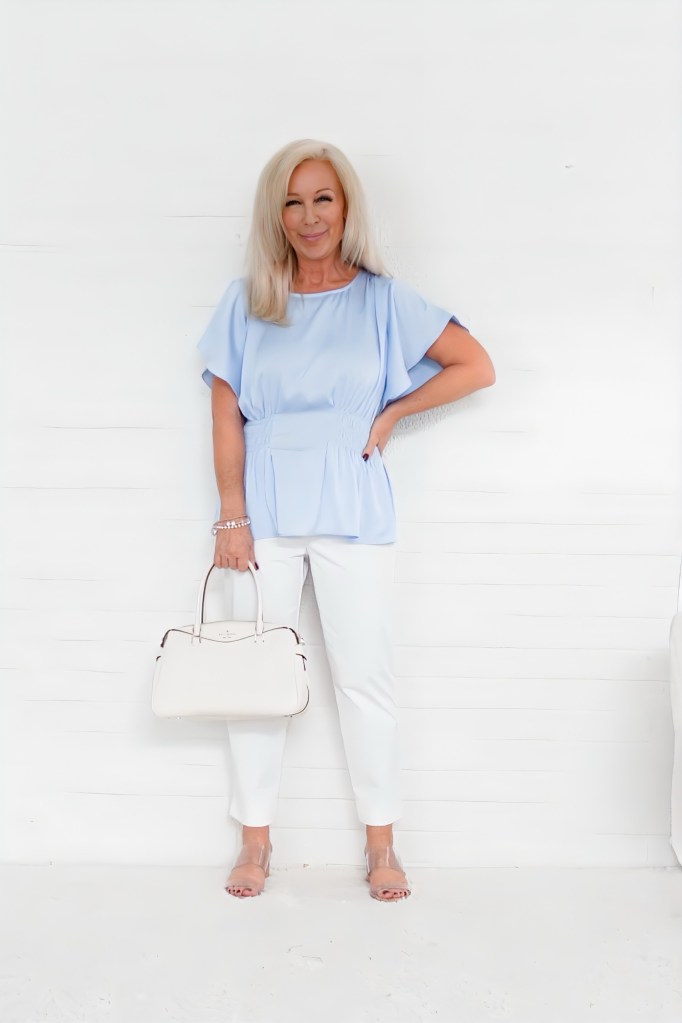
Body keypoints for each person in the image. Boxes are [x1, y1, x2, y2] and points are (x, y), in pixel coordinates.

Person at [196, 138, 495, 901]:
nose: (308, 216)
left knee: (366, 680)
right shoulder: (248, 301)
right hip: (262, 515)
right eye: (292, 202)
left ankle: (382, 841)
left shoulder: (384, 301)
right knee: (253, 681)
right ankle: (255, 841)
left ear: (346, 206)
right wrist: (231, 515)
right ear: (277, 214)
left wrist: (394, 412)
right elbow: (226, 411)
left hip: (353, 508)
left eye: (322, 198)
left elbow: (475, 364)